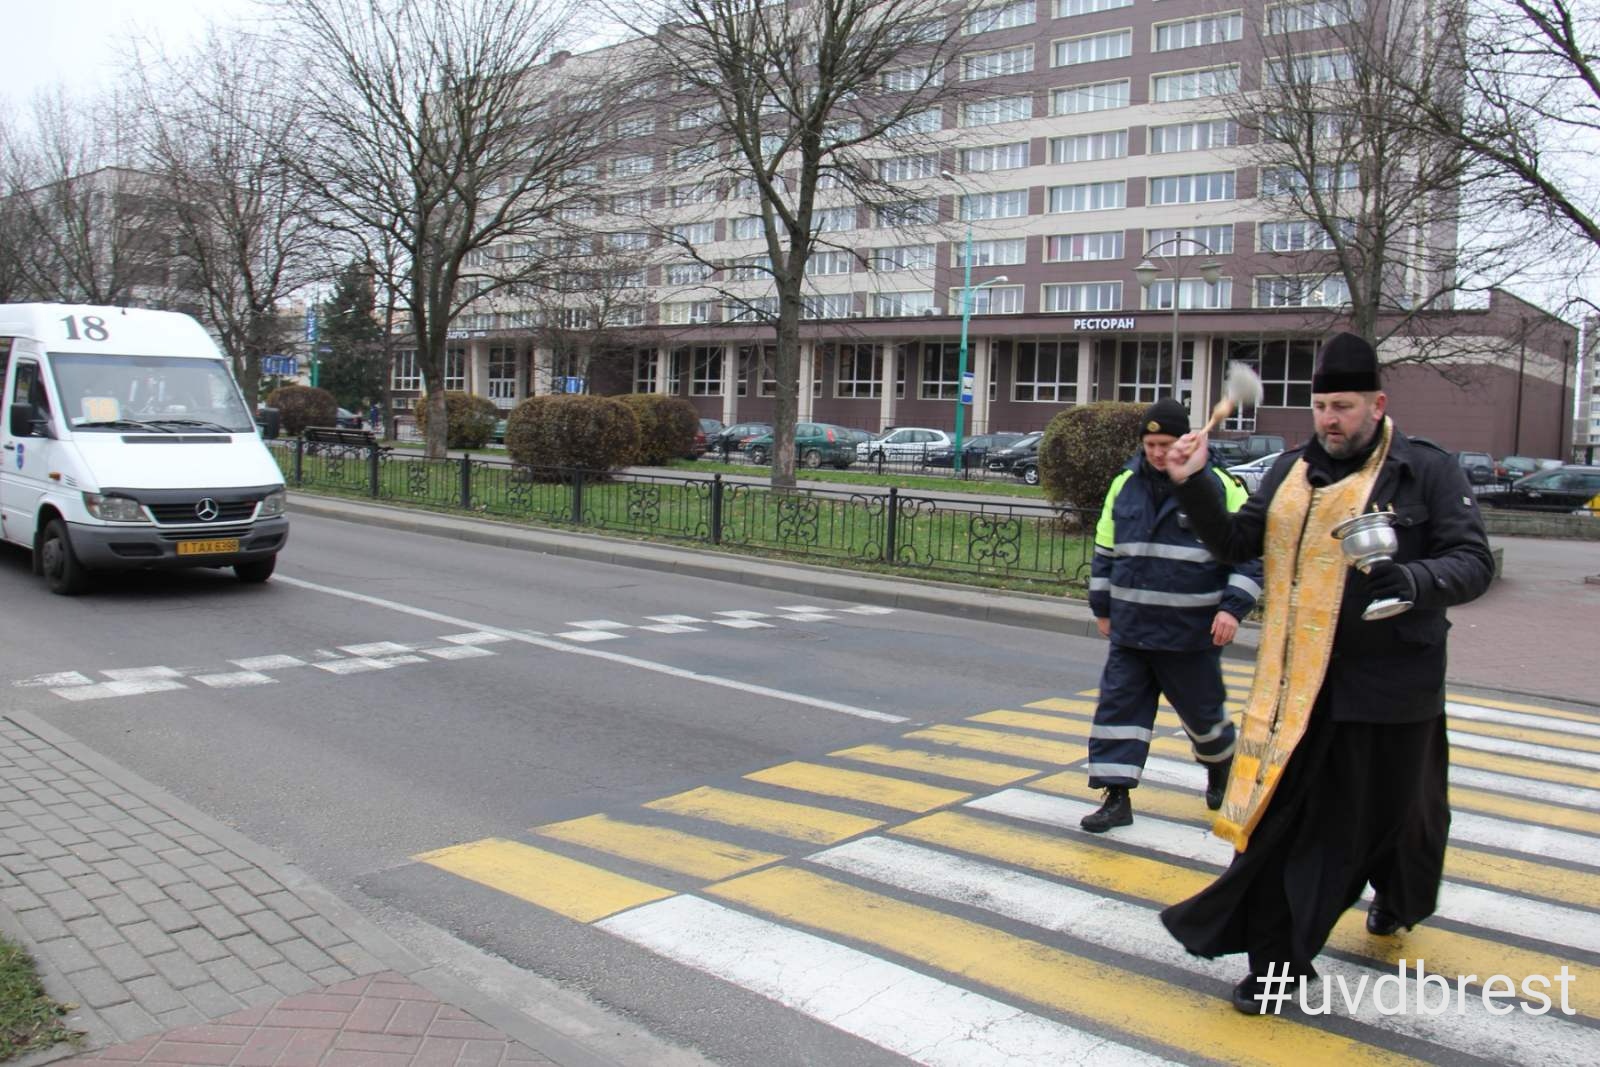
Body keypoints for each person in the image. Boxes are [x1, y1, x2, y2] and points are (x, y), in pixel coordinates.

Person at [1156, 333, 1495, 1014]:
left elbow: (1474, 561)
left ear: (1377, 403)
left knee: (1408, 823)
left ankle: (1399, 900)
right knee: (1298, 834)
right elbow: (1233, 542)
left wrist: (1414, 578)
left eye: (1343, 406)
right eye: (1320, 407)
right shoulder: (1287, 473)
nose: (1330, 420)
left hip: (1393, 693)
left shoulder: (1424, 470)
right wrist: (1191, 483)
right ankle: (1276, 965)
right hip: (1296, 698)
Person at [1081, 397, 1262, 832]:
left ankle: (1220, 769)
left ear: (1185, 441)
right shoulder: (1125, 483)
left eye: (1165, 443)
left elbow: (1250, 557)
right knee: (1119, 712)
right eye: (1150, 443)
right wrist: (1101, 607)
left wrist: (1233, 609)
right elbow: (1106, 550)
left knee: (1205, 718)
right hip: (1132, 630)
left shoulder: (1218, 484)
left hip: (1190, 634)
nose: (1158, 453)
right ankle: (1116, 797)